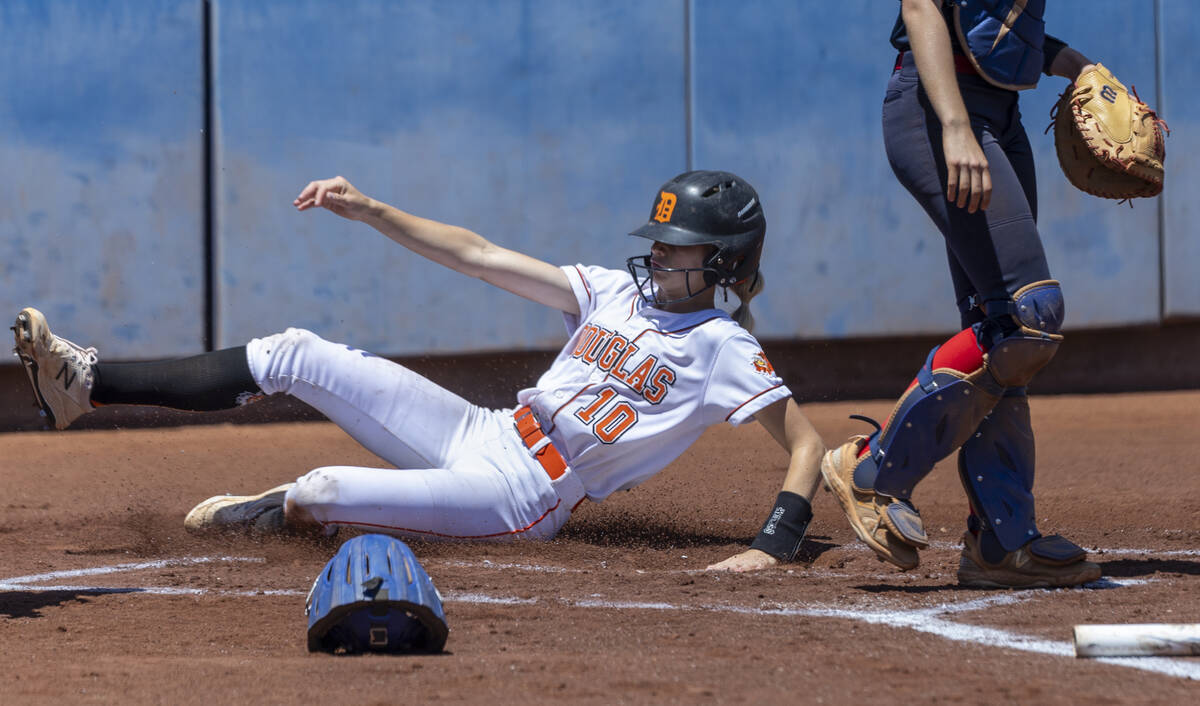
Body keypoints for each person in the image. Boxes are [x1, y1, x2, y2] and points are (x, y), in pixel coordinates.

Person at [12, 170, 823, 572]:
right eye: (657, 238)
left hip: (525, 495)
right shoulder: (612, 291)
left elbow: (807, 447)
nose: (654, 252)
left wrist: (773, 544)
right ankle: (85, 384)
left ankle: (281, 509)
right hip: (487, 431)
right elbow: (475, 254)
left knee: (319, 490)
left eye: (674, 245)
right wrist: (372, 211)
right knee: (298, 350)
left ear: (720, 260)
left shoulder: (723, 346)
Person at [820, 0, 1103, 588]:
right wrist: (954, 126)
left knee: (1004, 328)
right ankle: (872, 470)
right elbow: (923, 7)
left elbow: (994, 29)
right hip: (937, 111)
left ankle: (1001, 540)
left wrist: (1068, 60)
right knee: (1030, 317)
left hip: (1001, 117)